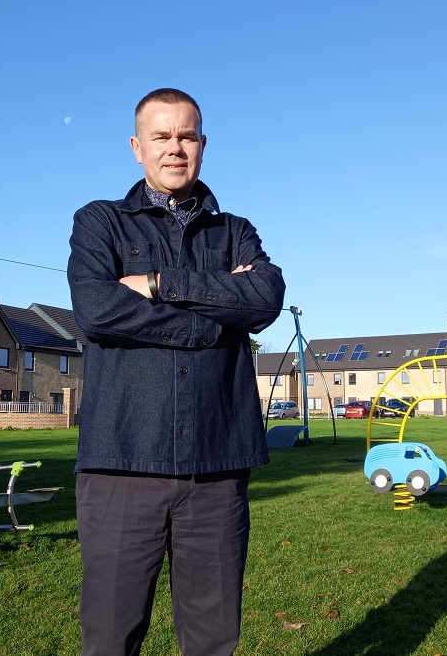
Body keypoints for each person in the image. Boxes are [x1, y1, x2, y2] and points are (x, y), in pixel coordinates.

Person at [68, 87, 285, 656]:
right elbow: (96, 310)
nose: (174, 148)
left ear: (203, 144)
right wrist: (212, 323)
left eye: (186, 136)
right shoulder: (101, 223)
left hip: (217, 465)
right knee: (110, 638)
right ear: (137, 147)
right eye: (161, 137)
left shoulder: (235, 231)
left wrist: (163, 285)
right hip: (122, 462)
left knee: (213, 639)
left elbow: (264, 298)